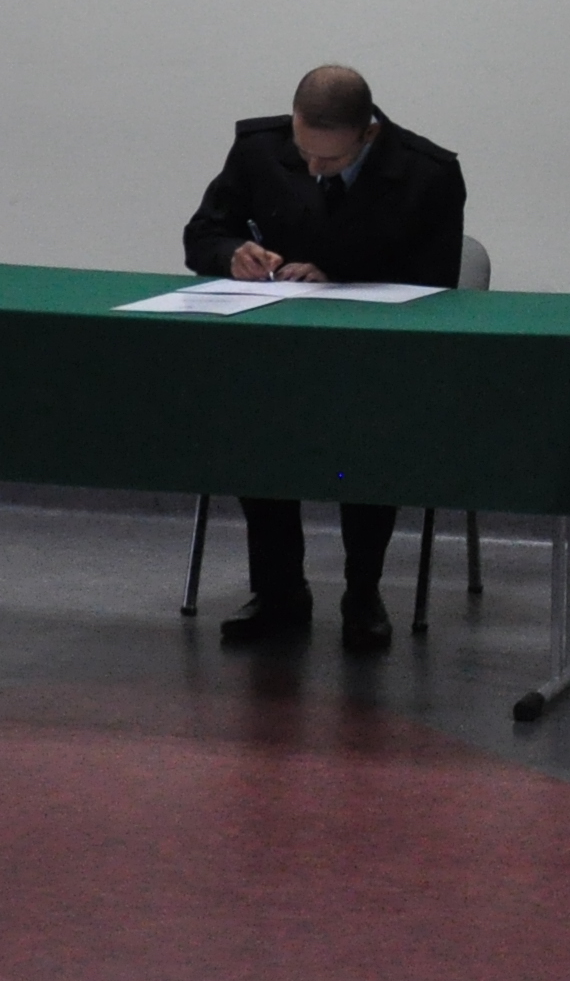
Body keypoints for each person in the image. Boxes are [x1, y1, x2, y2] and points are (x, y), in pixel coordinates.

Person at [178, 64, 465, 651]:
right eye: (303, 151)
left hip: (373, 363)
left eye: (330, 160)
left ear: (369, 134)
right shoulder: (259, 149)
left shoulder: (427, 173)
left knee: (362, 450)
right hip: (274, 354)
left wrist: (337, 277)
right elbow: (201, 234)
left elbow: (436, 283)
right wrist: (233, 253)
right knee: (257, 437)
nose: (311, 168)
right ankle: (279, 590)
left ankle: (363, 592)